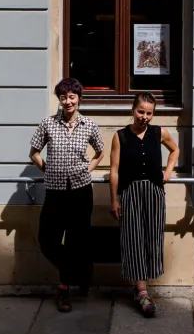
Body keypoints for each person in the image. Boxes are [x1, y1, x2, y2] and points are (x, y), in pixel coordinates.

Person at [29, 77, 105, 313]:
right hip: (55, 191)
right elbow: (34, 152)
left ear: (79, 98)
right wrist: (47, 168)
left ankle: (64, 289)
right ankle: (81, 272)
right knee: (47, 240)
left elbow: (100, 151)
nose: (68, 101)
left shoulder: (89, 124)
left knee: (76, 240)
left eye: (72, 96)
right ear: (59, 100)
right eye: (63, 97)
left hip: (81, 191)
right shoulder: (48, 124)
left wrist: (88, 169)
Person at [108, 92, 180, 317]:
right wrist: (114, 199)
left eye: (149, 113)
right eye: (141, 111)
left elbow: (175, 150)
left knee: (152, 236)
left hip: (154, 192)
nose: (145, 117)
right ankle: (141, 291)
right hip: (129, 192)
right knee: (133, 238)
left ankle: (144, 287)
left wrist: (168, 170)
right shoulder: (120, 136)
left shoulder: (160, 133)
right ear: (133, 110)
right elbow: (114, 170)